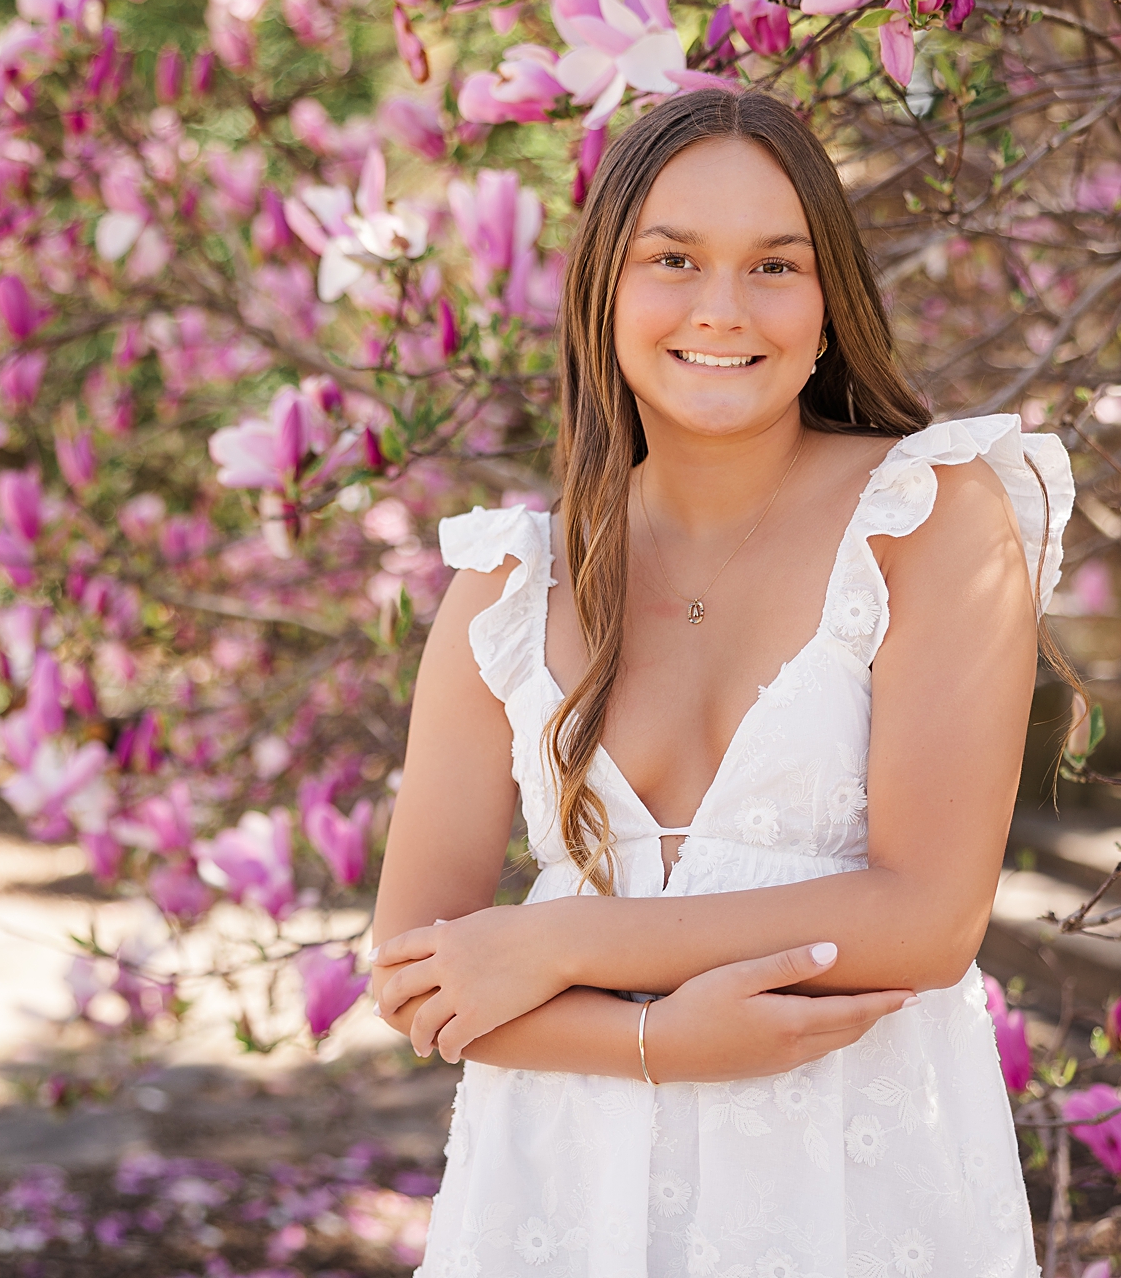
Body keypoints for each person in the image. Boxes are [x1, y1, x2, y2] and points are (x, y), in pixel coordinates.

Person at [368, 88, 1073, 1278]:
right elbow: (417, 974)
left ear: (825, 299)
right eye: (674, 258)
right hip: (556, 1193)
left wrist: (561, 943)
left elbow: (926, 919)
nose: (720, 308)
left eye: (773, 265)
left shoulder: (931, 515)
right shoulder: (504, 587)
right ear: (605, 289)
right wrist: (654, 1044)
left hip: (851, 1190)